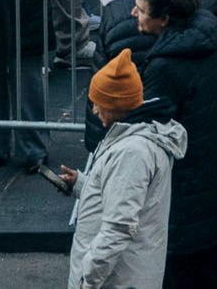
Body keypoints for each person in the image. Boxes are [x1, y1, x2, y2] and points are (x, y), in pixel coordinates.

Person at [71, 49, 189, 289]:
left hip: (117, 280)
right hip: (130, 274)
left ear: (116, 105)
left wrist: (88, 278)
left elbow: (118, 227)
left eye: (99, 103)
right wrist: (81, 185)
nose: (95, 111)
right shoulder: (136, 138)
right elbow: (123, 196)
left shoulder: (131, 152)